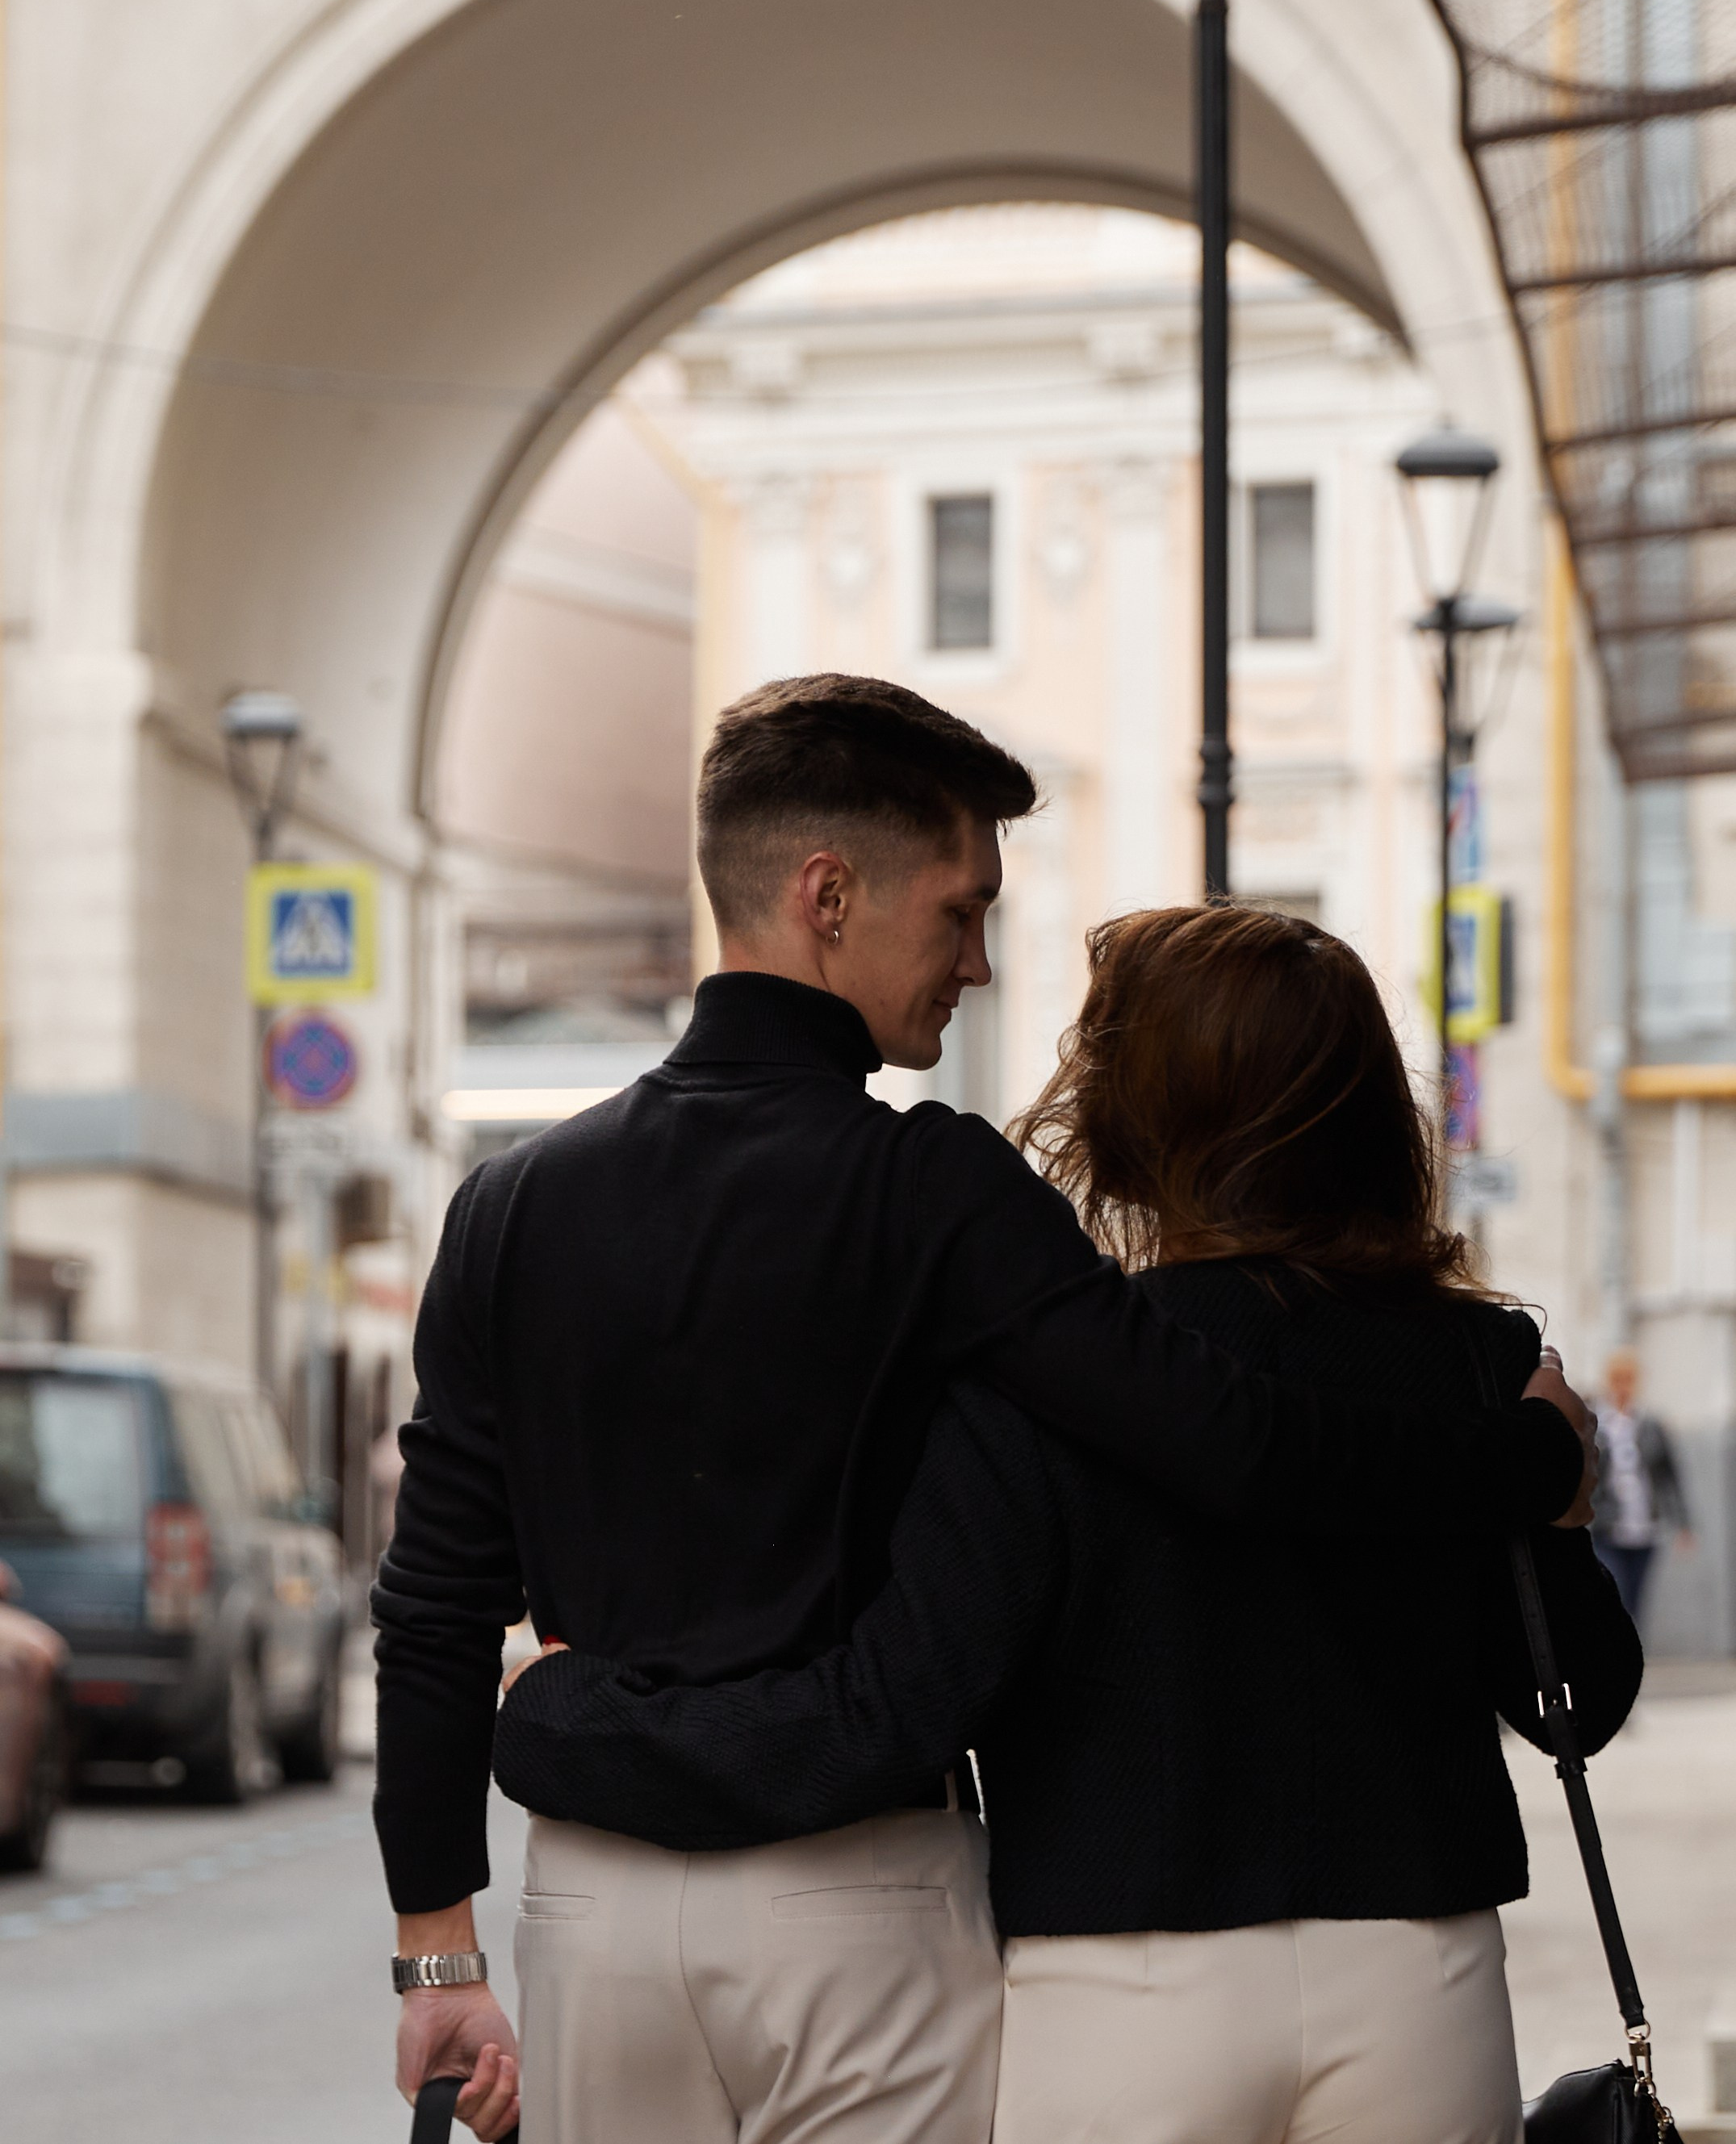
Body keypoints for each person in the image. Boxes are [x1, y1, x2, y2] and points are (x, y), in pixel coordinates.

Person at [373, 681, 1593, 2144]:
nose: (979, 964)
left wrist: (438, 1937)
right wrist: (1530, 1452)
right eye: (960, 912)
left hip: (593, 1902)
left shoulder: (508, 1206)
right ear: (828, 895)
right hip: (860, 1895)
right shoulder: (935, 1191)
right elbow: (1233, 1441)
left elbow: (436, 1600)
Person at [1593, 1345, 1692, 1624]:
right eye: (1617, 1379)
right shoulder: (1597, 1423)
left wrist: (1683, 1523)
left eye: (1629, 1379)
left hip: (1645, 1528)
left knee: (1636, 1601)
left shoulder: (1650, 1424)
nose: (1623, 1387)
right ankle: (1614, 1658)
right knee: (1615, 1594)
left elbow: (1669, 1475)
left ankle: (1630, 1658)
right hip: (1606, 1527)